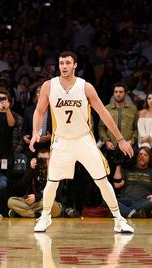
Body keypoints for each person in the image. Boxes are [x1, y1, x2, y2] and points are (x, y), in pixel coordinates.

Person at [30, 51, 135, 233]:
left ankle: (119, 219)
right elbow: (39, 111)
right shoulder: (49, 86)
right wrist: (34, 133)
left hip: (84, 139)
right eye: (61, 63)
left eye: (67, 63)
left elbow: (104, 113)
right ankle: (45, 217)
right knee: (52, 182)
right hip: (61, 141)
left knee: (102, 180)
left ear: (75, 65)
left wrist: (120, 139)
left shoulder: (85, 87)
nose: (64, 66)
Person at [7, 147, 62, 218]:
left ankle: (22, 213)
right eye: (40, 159)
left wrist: (36, 197)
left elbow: (55, 193)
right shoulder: (33, 169)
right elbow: (22, 186)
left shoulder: (55, 173)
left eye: (45, 159)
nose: (43, 161)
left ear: (50, 160)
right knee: (11, 201)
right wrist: (31, 169)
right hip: (33, 203)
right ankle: (38, 214)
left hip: (45, 202)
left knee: (54, 206)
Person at [112, 147, 152, 218]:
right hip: (125, 201)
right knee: (107, 199)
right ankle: (134, 214)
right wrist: (118, 165)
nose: (142, 156)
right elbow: (117, 184)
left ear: (149, 159)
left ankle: (125, 212)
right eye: (140, 154)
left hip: (142, 201)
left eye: (145, 155)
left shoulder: (151, 172)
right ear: (137, 157)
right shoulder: (127, 170)